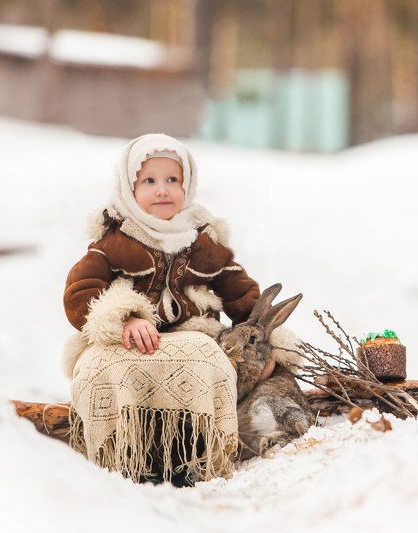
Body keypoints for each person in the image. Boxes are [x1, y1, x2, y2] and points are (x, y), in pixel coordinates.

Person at [61, 133, 276, 485]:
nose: (162, 190)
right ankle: (125, 449)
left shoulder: (202, 239)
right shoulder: (113, 238)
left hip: (191, 335)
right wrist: (124, 318)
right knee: (105, 366)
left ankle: (191, 451)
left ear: (187, 184)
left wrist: (266, 340)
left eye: (172, 180)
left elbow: (241, 293)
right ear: (129, 188)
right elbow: (79, 291)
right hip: (126, 341)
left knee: (206, 356)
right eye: (149, 181)